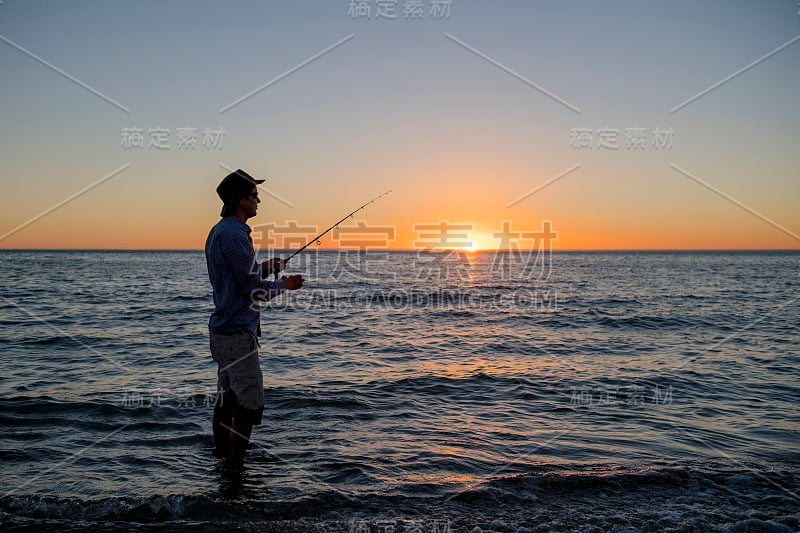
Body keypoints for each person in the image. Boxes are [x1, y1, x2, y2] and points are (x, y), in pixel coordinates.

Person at [204, 169, 304, 467]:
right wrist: (285, 285)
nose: (259, 201)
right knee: (249, 403)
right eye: (254, 196)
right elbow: (252, 290)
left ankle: (221, 460)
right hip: (236, 334)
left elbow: (237, 277)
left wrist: (266, 266)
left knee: (227, 399)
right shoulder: (236, 235)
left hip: (222, 332)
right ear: (239, 200)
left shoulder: (219, 231)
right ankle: (235, 474)